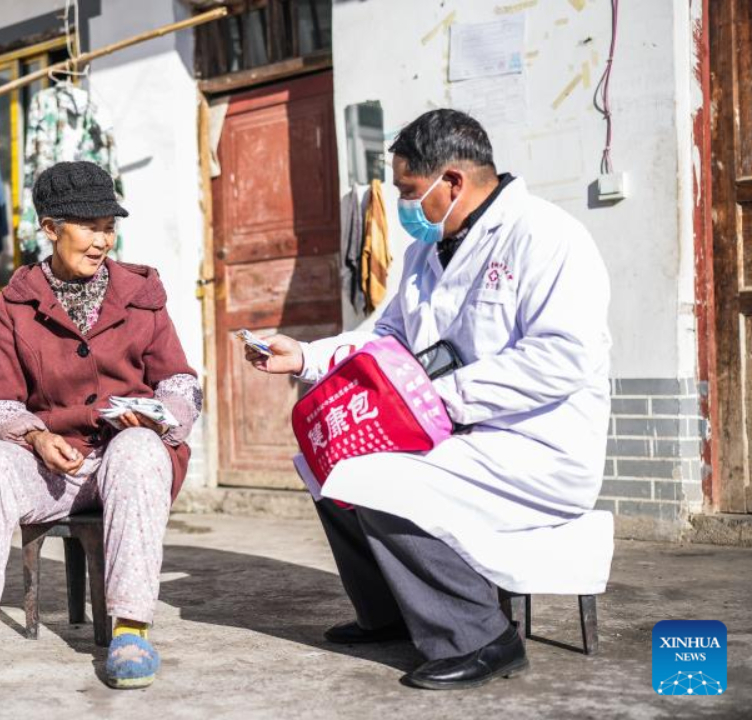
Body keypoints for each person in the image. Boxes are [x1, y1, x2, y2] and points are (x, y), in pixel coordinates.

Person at [247, 109, 614, 690]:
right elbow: (386, 334)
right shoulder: (428, 251)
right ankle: (391, 613)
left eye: (408, 191)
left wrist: (441, 398)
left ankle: (481, 637)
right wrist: (307, 357)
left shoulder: (546, 237)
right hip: (457, 434)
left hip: (536, 446)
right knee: (326, 462)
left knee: (381, 480)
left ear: (452, 182)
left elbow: (564, 357)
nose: (402, 206)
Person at [0, 161, 201, 706]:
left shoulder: (141, 293)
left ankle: (130, 632)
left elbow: (180, 381)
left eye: (108, 227)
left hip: (126, 459)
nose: (102, 240)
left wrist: (162, 416)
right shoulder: (15, 303)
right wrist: (34, 437)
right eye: (89, 226)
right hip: (53, 465)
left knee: (141, 449)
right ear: (50, 228)